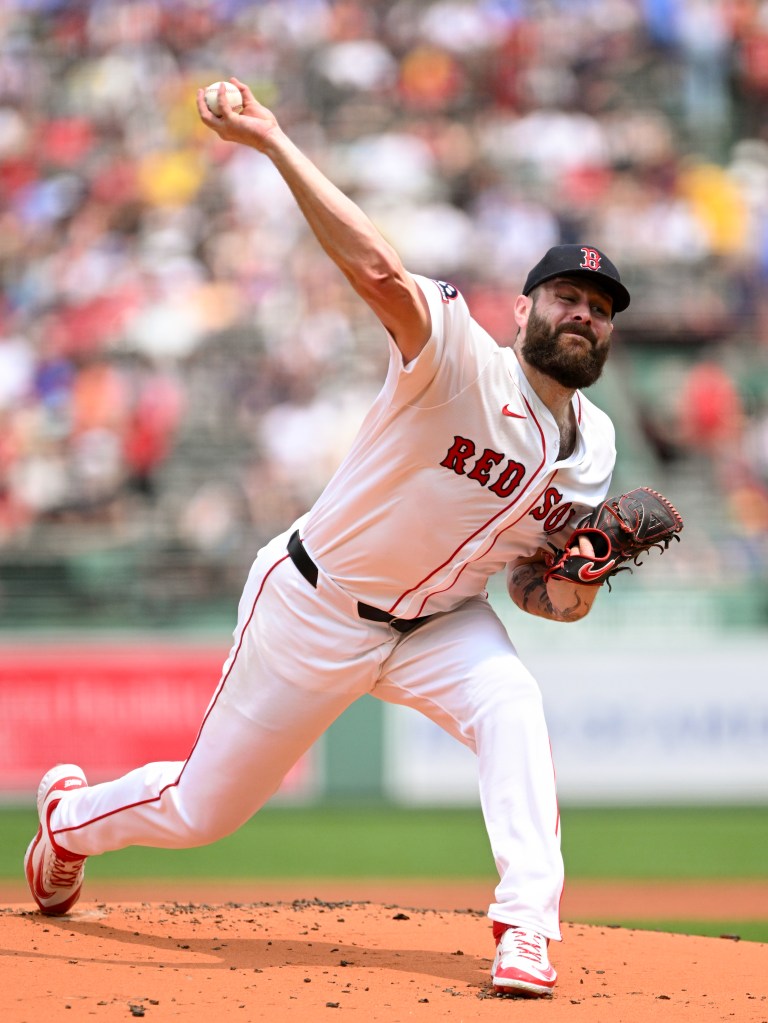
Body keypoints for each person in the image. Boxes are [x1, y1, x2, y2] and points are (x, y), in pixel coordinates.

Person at [25, 79, 631, 999]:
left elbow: (540, 597)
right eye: (566, 295)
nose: (582, 312)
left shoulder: (599, 449)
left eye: (599, 304)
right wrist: (271, 140)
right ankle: (69, 820)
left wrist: (583, 578)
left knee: (511, 700)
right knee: (201, 810)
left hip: (442, 622)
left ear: (611, 331)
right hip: (316, 603)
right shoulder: (460, 362)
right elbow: (382, 272)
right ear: (524, 311)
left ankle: (526, 929)